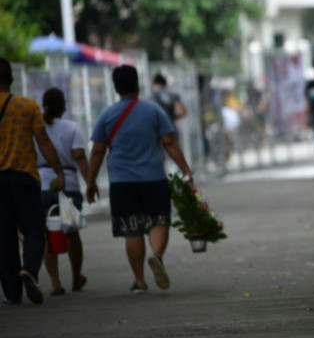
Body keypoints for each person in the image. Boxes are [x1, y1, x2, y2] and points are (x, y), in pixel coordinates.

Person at [86, 65, 194, 294]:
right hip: (153, 178)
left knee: (132, 230)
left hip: (121, 182)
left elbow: (97, 151)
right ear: (137, 84)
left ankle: (140, 281)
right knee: (159, 221)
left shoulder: (106, 115)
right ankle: (156, 256)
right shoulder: (153, 111)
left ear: (116, 88)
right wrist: (185, 169)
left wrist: (90, 181)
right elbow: (169, 142)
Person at [0, 57, 65, 305]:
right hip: (24, 177)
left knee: (4, 236)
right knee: (34, 229)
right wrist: (58, 171)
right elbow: (44, 142)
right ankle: (29, 269)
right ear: (12, 79)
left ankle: (13, 293)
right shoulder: (27, 106)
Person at [34, 88, 90, 296]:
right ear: (63, 106)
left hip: (41, 185)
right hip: (68, 186)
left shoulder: (36, 128)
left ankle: (56, 283)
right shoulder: (72, 128)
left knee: (48, 234)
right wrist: (90, 182)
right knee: (71, 232)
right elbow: (80, 157)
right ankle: (76, 277)